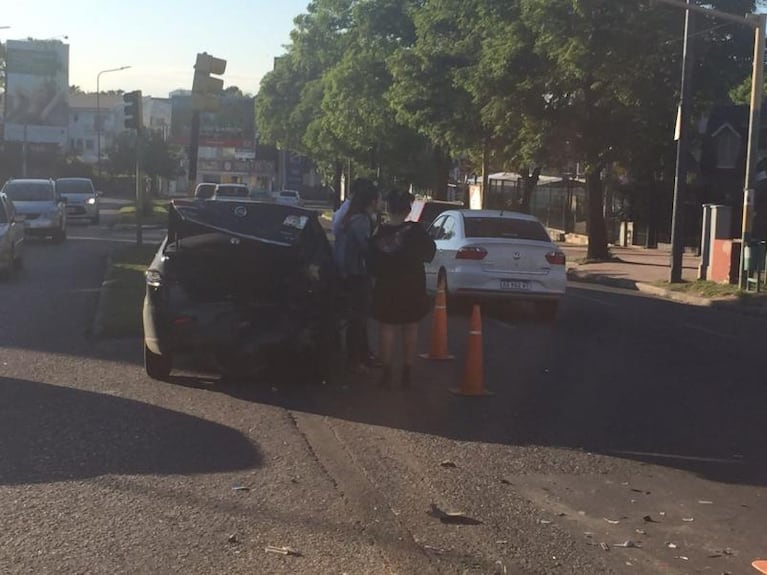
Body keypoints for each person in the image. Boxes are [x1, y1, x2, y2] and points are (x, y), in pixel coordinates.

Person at [368, 189, 436, 388]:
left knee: (387, 327)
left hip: (386, 284)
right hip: (412, 283)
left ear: (389, 209)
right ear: (408, 210)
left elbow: (371, 262)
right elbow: (429, 253)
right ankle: (407, 370)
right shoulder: (417, 231)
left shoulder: (379, 232)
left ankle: (387, 370)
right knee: (410, 326)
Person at [339, 179, 380, 372]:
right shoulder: (361, 221)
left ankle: (361, 355)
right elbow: (367, 247)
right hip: (358, 274)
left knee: (358, 318)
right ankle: (354, 360)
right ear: (371, 201)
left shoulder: (349, 217)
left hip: (349, 273)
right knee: (358, 318)